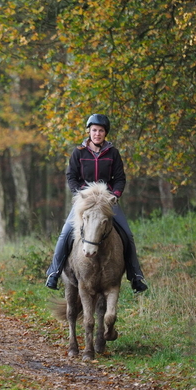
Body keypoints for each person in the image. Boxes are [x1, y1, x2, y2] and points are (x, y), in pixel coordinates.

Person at [45, 114, 148, 293]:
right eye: (94, 130)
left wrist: (115, 194)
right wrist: (80, 194)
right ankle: (54, 272)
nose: (97, 134)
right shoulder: (78, 152)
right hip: (85, 201)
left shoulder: (113, 153)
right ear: (89, 131)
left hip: (107, 201)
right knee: (65, 233)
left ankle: (135, 276)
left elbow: (120, 178)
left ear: (105, 133)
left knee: (127, 235)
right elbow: (71, 177)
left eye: (100, 131)